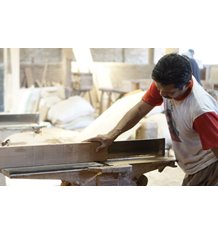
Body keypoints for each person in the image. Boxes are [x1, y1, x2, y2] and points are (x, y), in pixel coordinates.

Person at [86, 53, 218, 186]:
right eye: (159, 88)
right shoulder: (165, 85)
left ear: (186, 85)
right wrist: (111, 135)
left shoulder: (201, 111)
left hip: (208, 167)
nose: (161, 95)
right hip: (192, 165)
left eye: (169, 93)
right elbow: (139, 110)